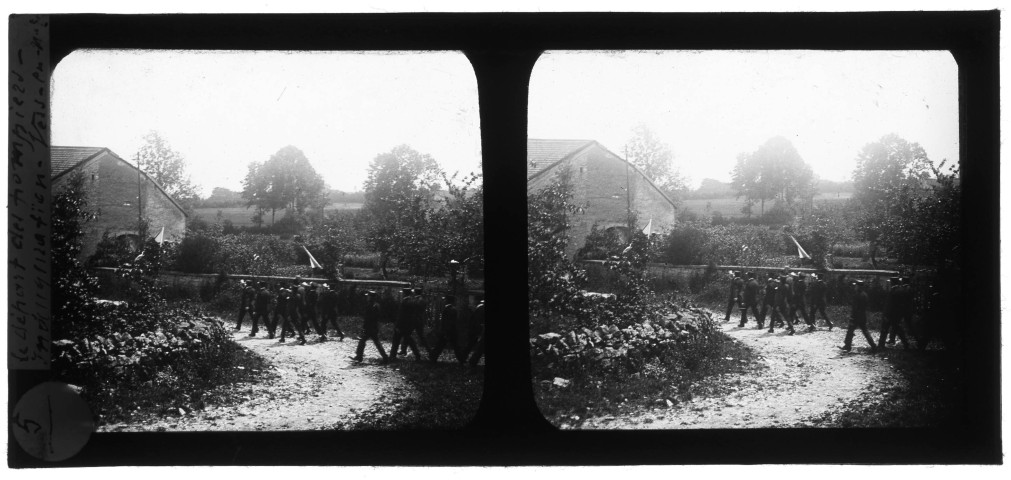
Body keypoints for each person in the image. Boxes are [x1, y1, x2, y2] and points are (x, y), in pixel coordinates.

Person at [351, 291, 389, 363]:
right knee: (375, 342)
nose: (367, 297)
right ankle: (385, 357)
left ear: (371, 297)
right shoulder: (376, 305)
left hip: (370, 327)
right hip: (373, 327)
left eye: (368, 296)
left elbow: (368, 318)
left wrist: (365, 327)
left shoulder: (371, 306)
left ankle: (359, 356)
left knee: (364, 341)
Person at [840, 280, 877, 353]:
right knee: (865, 331)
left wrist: (852, 316)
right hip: (863, 316)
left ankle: (847, 346)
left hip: (856, 316)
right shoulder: (865, 294)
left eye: (856, 286)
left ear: (858, 287)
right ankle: (873, 346)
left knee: (850, 330)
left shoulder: (856, 295)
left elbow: (855, 308)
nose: (855, 287)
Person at [429, 294, 465, 363]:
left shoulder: (449, 309)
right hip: (451, 331)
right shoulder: (452, 309)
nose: (444, 301)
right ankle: (461, 360)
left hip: (448, 331)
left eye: (446, 300)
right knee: (454, 346)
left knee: (441, 345)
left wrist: (446, 332)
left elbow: (448, 322)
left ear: (448, 301)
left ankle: (433, 357)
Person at [878, 277, 910, 350]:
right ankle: (906, 344)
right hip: (895, 315)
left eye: (890, 282)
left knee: (884, 330)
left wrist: (886, 314)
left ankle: (881, 345)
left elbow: (889, 304)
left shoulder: (894, 291)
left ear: (892, 282)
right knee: (898, 329)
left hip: (890, 315)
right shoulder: (899, 290)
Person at [390, 288, 422, 361]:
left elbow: (401, 315)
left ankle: (392, 356)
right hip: (409, 325)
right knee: (410, 341)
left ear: (404, 293)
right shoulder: (413, 301)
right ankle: (417, 355)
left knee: (396, 340)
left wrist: (397, 326)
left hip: (402, 325)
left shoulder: (404, 302)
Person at [467, 296, 486, 367]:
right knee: (480, 348)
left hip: (479, 331)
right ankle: (472, 362)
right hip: (480, 331)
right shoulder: (481, 308)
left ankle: (472, 362)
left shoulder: (480, 308)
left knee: (479, 348)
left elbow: (478, 321)